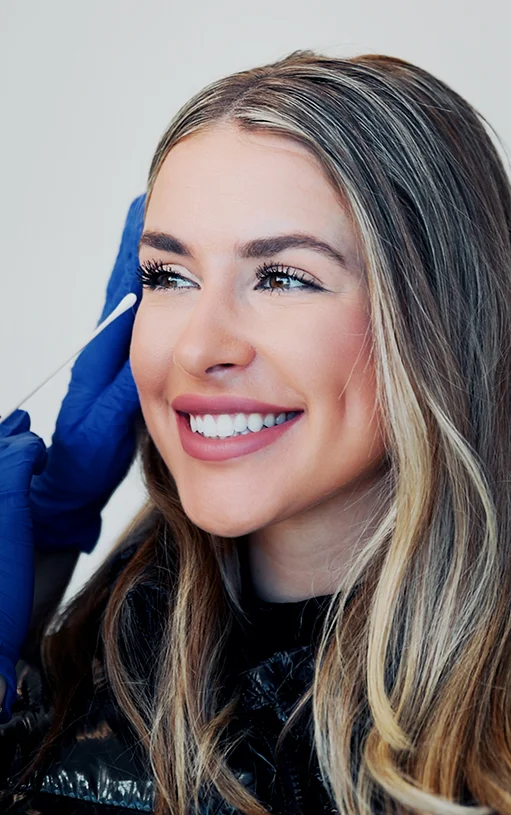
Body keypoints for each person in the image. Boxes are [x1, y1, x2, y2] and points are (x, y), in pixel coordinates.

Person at [0, 48, 510, 815]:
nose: (200, 348)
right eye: (168, 276)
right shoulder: (77, 676)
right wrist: (44, 571)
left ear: (439, 318)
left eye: (282, 277)